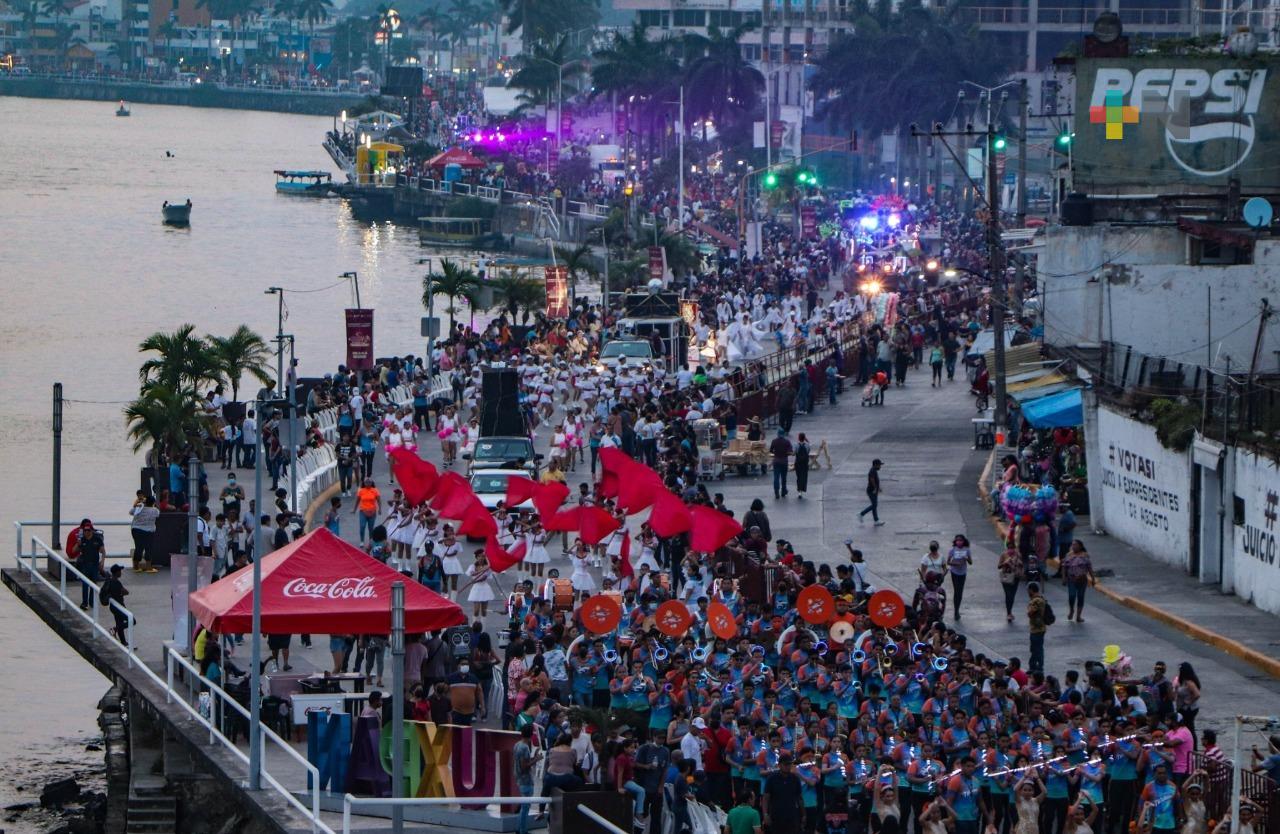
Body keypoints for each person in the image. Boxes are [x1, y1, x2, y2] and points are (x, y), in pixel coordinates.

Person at [763, 754, 804, 834]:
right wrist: (765, 814)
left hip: (792, 815)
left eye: (789, 764)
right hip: (776, 815)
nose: (788, 766)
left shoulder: (795, 779)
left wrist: (804, 815)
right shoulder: (771, 778)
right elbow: (766, 798)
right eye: (785, 764)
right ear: (779, 765)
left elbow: (800, 798)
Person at [513, 724, 542, 834]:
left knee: (523, 807)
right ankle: (522, 831)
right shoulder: (524, 747)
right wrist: (537, 759)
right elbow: (525, 766)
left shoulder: (517, 745)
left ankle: (519, 829)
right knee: (525, 808)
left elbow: (522, 762)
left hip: (519, 779)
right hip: (526, 780)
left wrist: (533, 756)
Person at [71, 519, 105, 611]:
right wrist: (78, 544)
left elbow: (103, 551)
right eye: (85, 530)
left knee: (93, 584)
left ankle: (91, 602)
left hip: (94, 565)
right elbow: (73, 551)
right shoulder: (82, 540)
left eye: (88, 530)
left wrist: (102, 562)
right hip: (85, 565)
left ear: (92, 530)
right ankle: (84, 602)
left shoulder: (97, 539)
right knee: (85, 585)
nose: (86, 532)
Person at [1062, 541, 1096, 623]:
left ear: (1080, 546)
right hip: (1071, 579)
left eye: (1075, 545)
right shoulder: (1069, 555)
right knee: (1072, 596)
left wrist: (1093, 578)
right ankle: (1071, 610)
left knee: (1080, 597)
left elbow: (1089, 567)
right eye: (1072, 545)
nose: (1073, 546)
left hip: (1082, 580)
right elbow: (1064, 567)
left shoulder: (1085, 556)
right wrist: (1064, 578)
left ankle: (1078, 616)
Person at [447, 658, 485, 725]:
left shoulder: (473, 678)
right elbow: (445, 692)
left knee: (466, 732)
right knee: (456, 731)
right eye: (463, 664)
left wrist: (482, 707)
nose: (465, 666)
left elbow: (480, 692)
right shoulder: (451, 678)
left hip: (469, 712)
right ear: (458, 666)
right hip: (455, 711)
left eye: (467, 664)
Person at [99, 564, 130, 643]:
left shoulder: (109, 580)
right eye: (120, 571)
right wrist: (121, 593)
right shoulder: (116, 583)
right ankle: (114, 629)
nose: (121, 572)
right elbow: (126, 592)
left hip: (113, 606)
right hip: (119, 606)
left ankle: (124, 642)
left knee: (120, 622)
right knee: (131, 621)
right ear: (116, 573)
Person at [130, 495, 159, 573]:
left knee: (138, 548)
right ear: (153, 502)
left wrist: (139, 503)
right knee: (148, 548)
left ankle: (136, 567)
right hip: (149, 532)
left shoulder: (139, 508)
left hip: (136, 530)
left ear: (145, 502)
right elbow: (157, 515)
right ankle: (149, 568)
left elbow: (131, 512)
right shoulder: (155, 510)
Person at [947, 535, 972, 619]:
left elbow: (971, 562)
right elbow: (948, 562)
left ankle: (957, 609)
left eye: (960, 540)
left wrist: (966, 558)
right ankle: (956, 611)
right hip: (954, 572)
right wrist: (955, 564)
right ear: (955, 542)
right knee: (956, 591)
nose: (959, 542)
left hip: (963, 573)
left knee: (960, 592)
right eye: (957, 541)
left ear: (964, 541)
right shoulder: (952, 550)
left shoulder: (967, 550)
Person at [1026, 582, 1048, 674]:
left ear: (1031, 590)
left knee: (1037, 649)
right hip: (1040, 628)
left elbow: (1030, 612)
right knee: (1037, 648)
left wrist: (1029, 608)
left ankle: (1037, 667)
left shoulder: (1036, 601)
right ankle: (1035, 666)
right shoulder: (1041, 598)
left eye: (1028, 590)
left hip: (1036, 628)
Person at [354, 478, 382, 545]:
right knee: (362, 526)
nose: (368, 484)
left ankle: (370, 541)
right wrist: (354, 509)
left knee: (371, 528)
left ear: (372, 483)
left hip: (372, 511)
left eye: (369, 482)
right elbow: (357, 501)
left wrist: (380, 509)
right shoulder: (361, 491)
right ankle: (362, 541)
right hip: (363, 511)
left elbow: (379, 501)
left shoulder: (375, 490)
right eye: (366, 482)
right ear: (364, 483)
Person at [859, 459, 885, 526]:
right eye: (879, 465)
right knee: (874, 505)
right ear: (876, 465)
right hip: (872, 491)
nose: (880, 467)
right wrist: (876, 488)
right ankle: (861, 514)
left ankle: (876, 521)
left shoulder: (874, 470)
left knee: (874, 506)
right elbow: (872, 479)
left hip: (873, 491)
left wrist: (878, 488)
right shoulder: (872, 471)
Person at [771, 429, 793, 500]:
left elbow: (771, 450)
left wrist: (775, 452)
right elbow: (790, 451)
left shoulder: (774, 441)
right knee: (784, 477)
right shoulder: (787, 442)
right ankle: (783, 491)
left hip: (776, 461)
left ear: (777, 434)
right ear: (783, 434)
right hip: (784, 461)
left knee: (776, 477)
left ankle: (776, 492)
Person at [794, 433, 811, 499]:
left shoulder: (796, 445)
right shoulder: (807, 445)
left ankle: (799, 491)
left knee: (798, 476)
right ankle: (802, 489)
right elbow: (808, 451)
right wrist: (807, 440)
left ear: (798, 438)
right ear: (804, 438)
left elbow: (794, 453)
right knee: (804, 476)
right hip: (805, 463)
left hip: (798, 463)